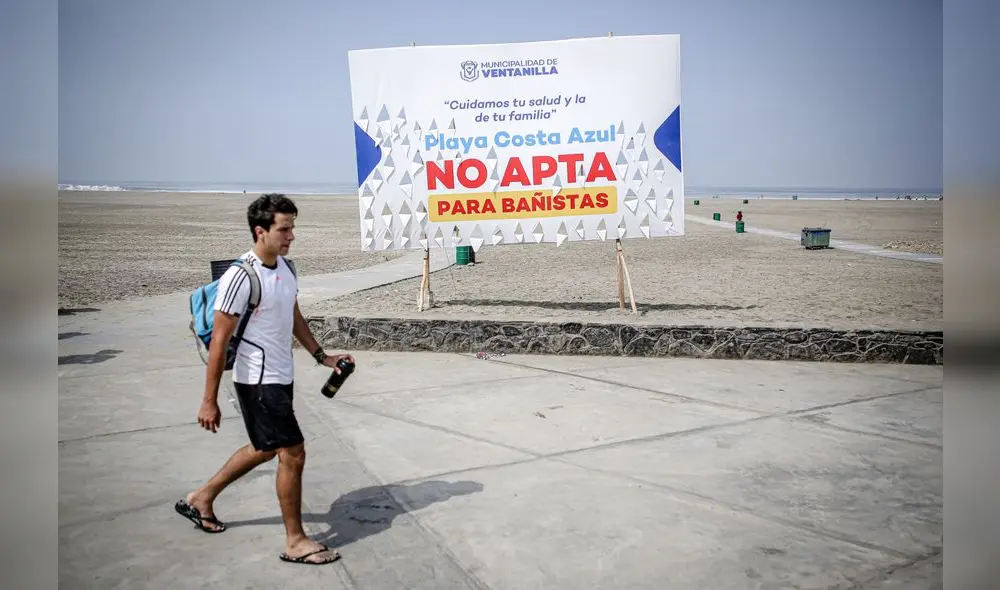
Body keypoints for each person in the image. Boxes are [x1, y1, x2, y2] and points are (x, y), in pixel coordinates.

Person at [174, 193, 353, 566]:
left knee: (266, 447)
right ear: (261, 231)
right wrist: (209, 399)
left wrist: (322, 356)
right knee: (293, 452)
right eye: (284, 229)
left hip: (280, 376)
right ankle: (295, 541)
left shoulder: (286, 268)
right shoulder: (241, 276)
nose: (291, 236)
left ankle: (202, 498)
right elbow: (219, 340)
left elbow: (293, 315)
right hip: (257, 380)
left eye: (292, 228)